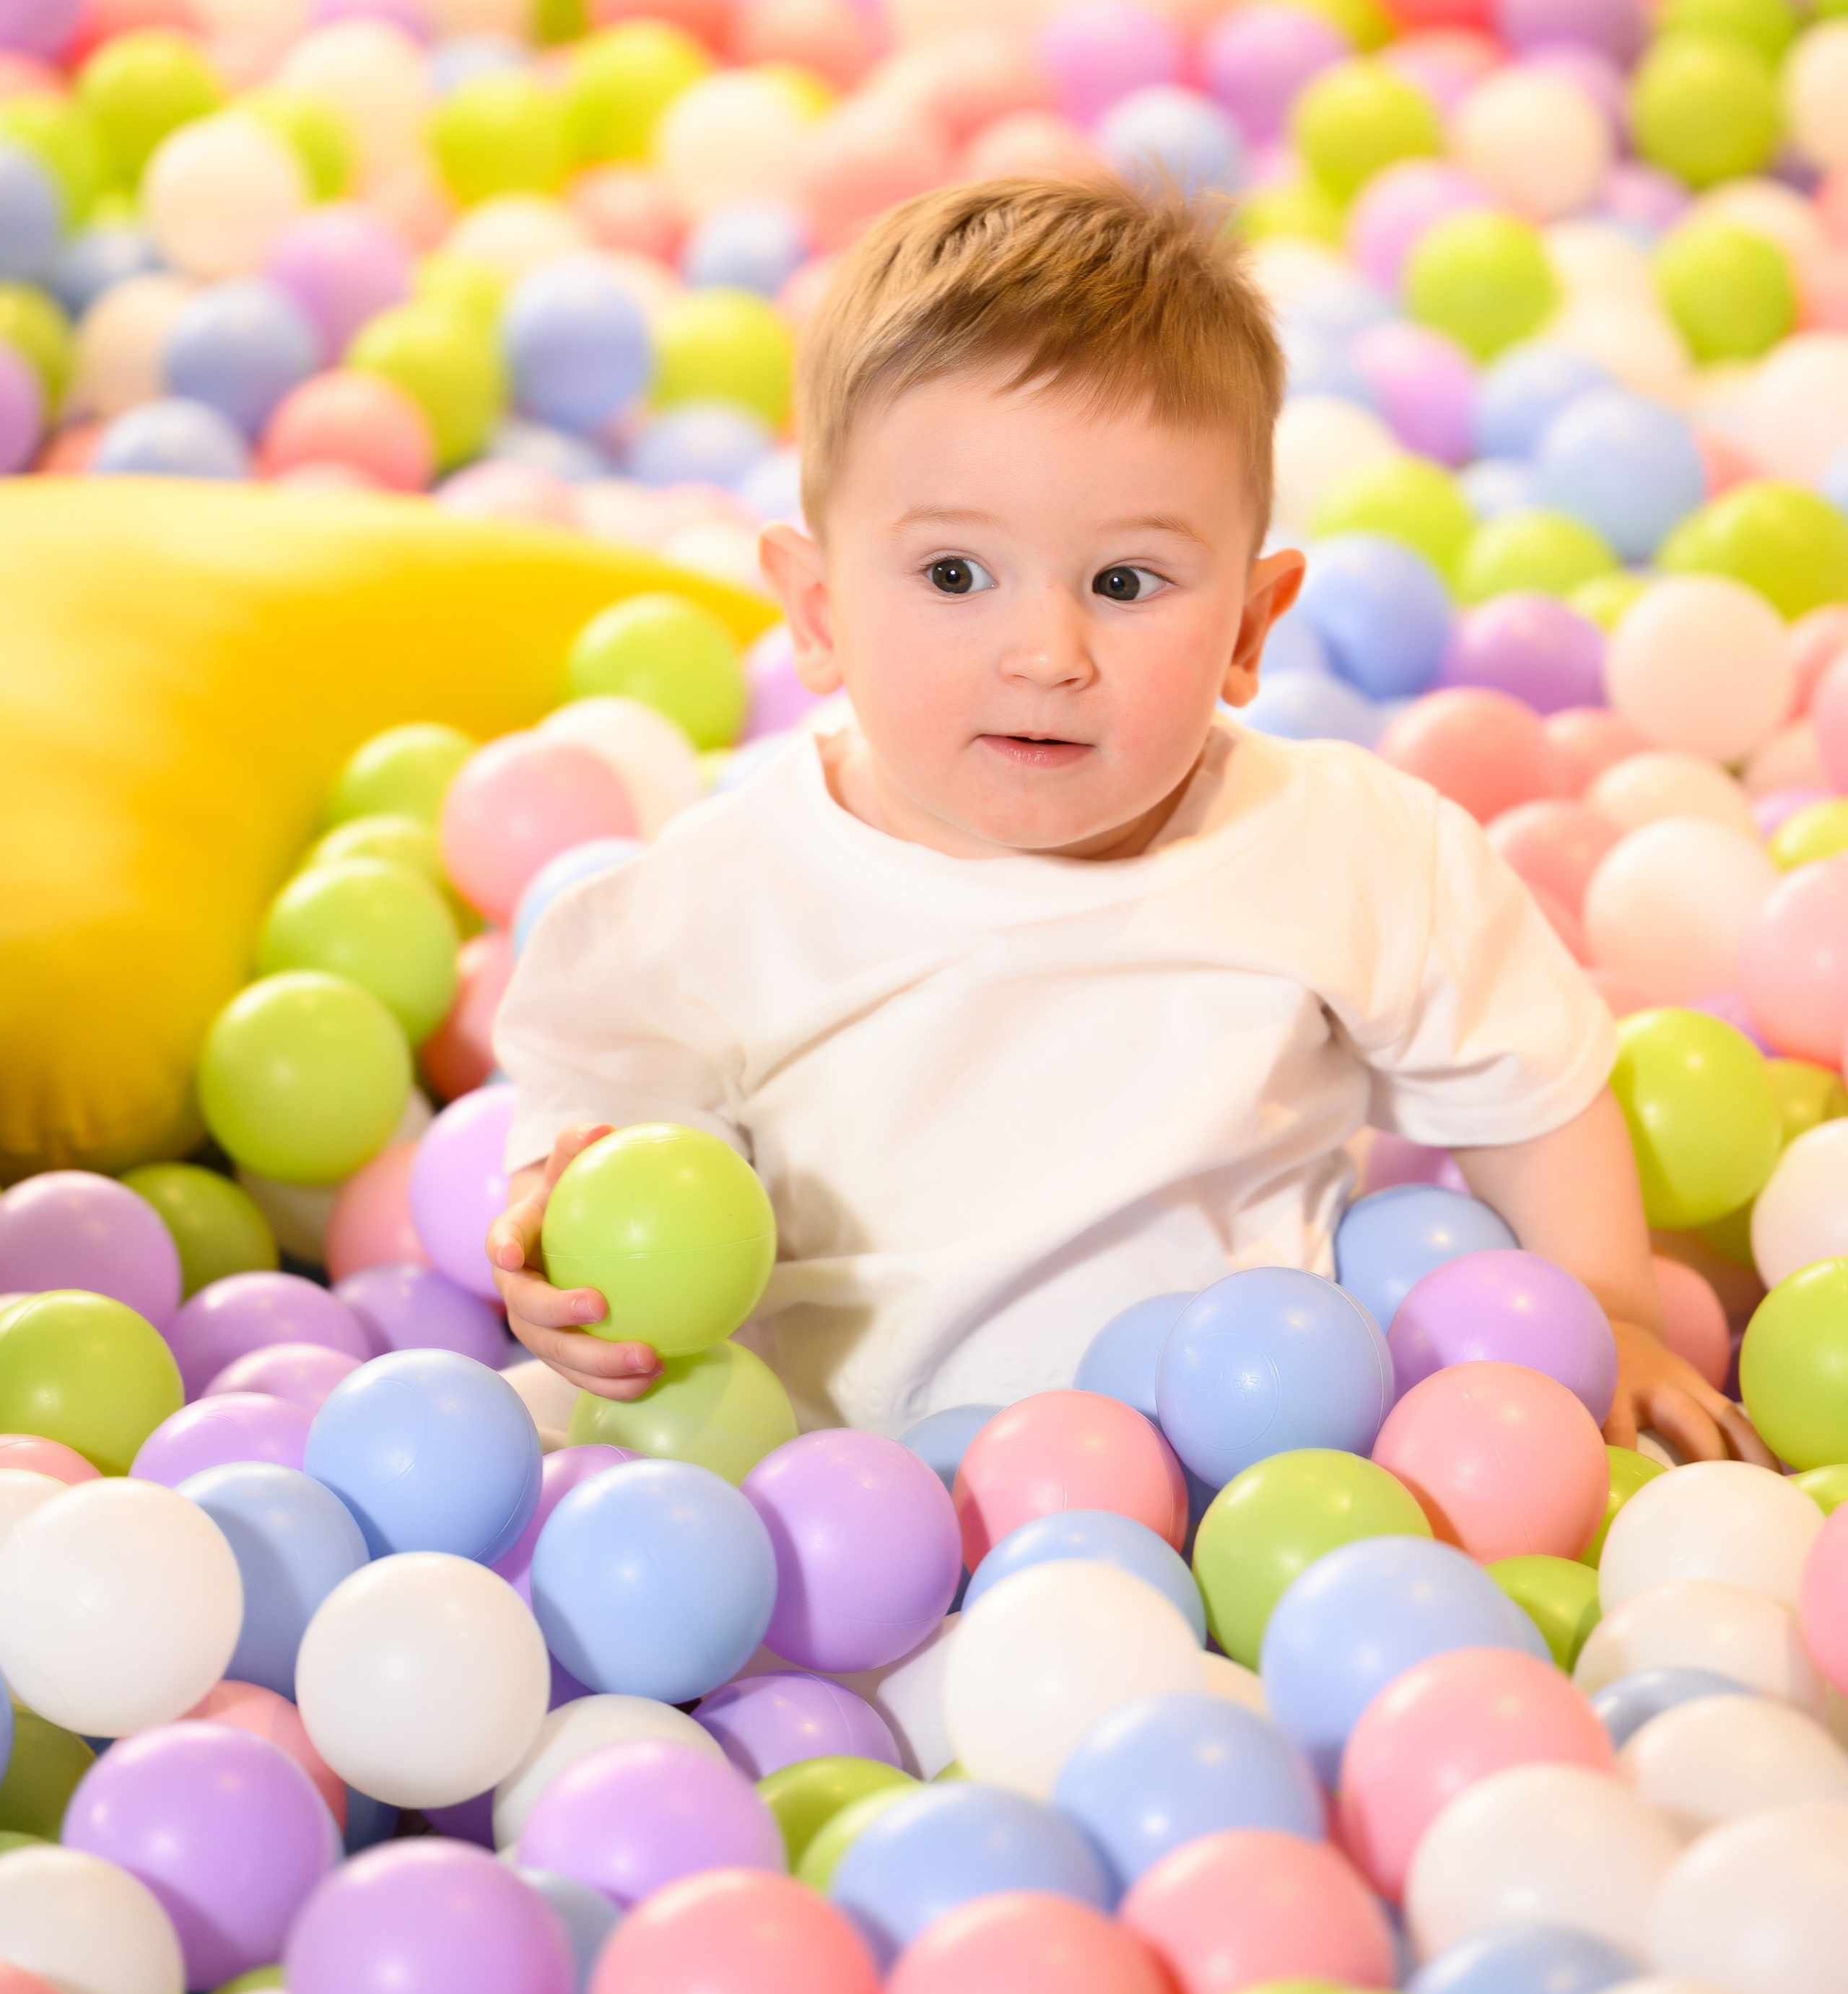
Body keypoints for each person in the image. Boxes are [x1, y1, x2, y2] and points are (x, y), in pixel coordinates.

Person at [489, 174, 1761, 1466]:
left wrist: (1607, 1316)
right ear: (817, 614)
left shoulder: (1345, 852)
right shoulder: (719, 907)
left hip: (1254, 1498)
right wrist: (562, 1257)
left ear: (1250, 628)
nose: (1047, 652)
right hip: (835, 1524)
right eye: (953, 574)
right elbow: (598, 1121)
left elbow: (1529, 1086)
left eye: (1125, 581)